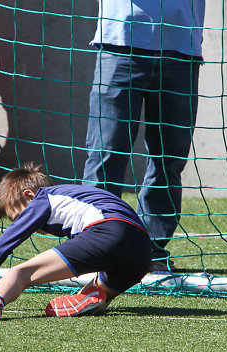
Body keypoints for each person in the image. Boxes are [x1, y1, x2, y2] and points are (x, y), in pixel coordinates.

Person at [0, 163, 152, 321]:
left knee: (18, 273)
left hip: (105, 230)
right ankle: (94, 298)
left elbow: (3, 244)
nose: (23, 224)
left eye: (18, 218)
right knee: (97, 290)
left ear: (29, 195)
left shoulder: (42, 199)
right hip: (142, 251)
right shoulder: (73, 195)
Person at [82, 0, 206, 271]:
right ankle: (96, 247)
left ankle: (149, 249)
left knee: (169, 160)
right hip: (119, 43)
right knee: (106, 154)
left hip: (181, 47)